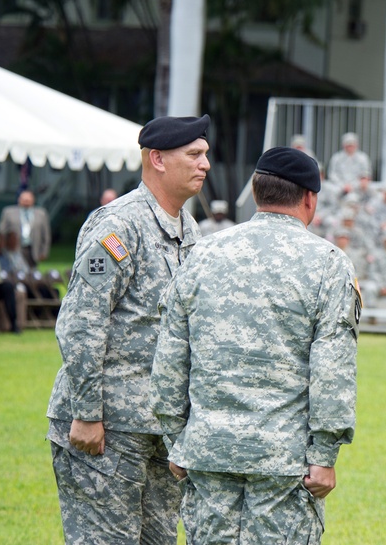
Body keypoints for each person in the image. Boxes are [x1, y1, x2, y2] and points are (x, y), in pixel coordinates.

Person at [150, 147, 358, 544]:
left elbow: (171, 356)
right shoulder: (328, 263)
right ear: (309, 198)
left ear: (256, 191)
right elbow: (333, 368)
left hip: (207, 452)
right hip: (284, 461)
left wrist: (176, 439)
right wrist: (324, 455)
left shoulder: (201, 253)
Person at [46, 114, 210, 545]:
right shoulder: (120, 225)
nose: (205, 164)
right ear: (157, 159)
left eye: (206, 154)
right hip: (107, 428)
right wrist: (86, 413)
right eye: (194, 154)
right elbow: (82, 320)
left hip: (159, 429)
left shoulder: (188, 230)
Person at [0, 190, 51, 269]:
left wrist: (44, 251)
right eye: (24, 199)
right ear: (19, 199)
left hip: (32, 249)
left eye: (28, 199)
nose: (26, 201)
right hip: (14, 249)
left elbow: (46, 235)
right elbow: (1, 231)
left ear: (33, 200)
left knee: (32, 272)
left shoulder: (41, 213)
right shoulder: (8, 212)